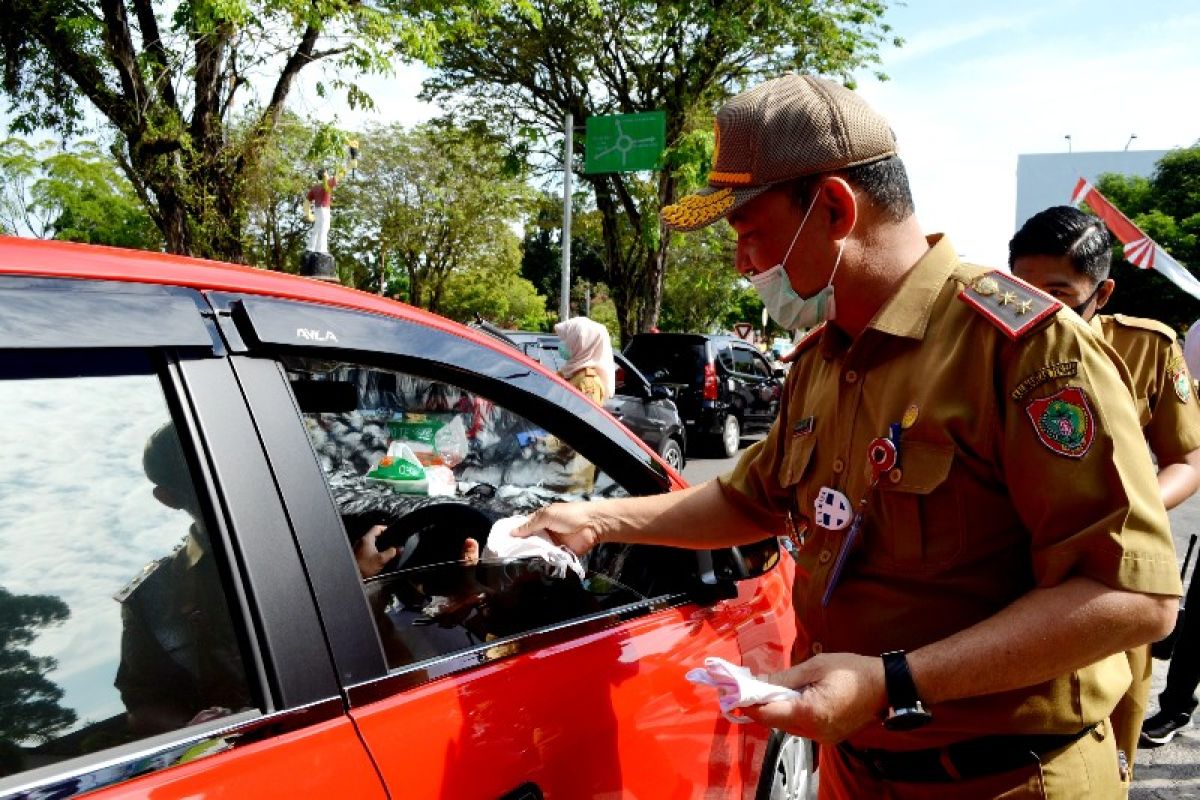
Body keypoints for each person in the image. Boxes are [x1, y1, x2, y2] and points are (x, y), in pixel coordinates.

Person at [515, 74, 1180, 797]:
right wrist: (592, 520)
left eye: (750, 233)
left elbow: (1132, 598)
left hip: (1003, 779)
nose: (744, 266)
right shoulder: (824, 357)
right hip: (853, 771)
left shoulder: (1024, 350)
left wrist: (893, 681)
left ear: (833, 206)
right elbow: (749, 501)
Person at [1009, 205, 1200, 765]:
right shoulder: (984, 343)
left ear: (1104, 291)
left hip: (1114, 570)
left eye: (1059, 292)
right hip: (1017, 565)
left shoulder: (1147, 348)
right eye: (1023, 288)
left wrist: (1133, 509)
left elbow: (1187, 460)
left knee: (1116, 720)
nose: (1039, 308)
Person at [115, 423, 253, 735]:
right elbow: (142, 706)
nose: (220, 482)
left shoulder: (333, 532)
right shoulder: (152, 596)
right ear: (166, 498)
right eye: (196, 477)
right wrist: (196, 729)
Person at [554, 317, 616, 405]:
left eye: (566, 339)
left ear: (580, 344)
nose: (562, 343)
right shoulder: (570, 372)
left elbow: (586, 417)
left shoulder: (588, 383)